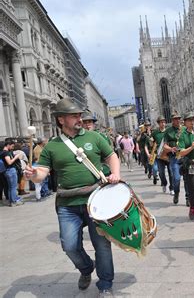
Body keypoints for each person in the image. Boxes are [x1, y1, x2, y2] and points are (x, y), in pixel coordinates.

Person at [24, 98, 121, 296]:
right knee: (69, 246)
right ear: (61, 120)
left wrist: (115, 173)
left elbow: (111, 156)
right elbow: (41, 172)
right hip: (67, 203)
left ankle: (105, 285)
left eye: (79, 114)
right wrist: (33, 175)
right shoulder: (52, 146)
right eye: (74, 115)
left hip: (95, 200)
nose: (80, 118)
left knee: (102, 245)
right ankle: (86, 269)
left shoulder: (94, 137)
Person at [164, 112, 184, 204]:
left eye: (179, 118)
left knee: (188, 178)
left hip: (185, 156)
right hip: (174, 157)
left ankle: (188, 197)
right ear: (172, 120)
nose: (178, 120)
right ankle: (176, 193)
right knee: (176, 178)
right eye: (175, 119)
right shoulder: (168, 131)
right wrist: (171, 148)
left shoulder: (184, 129)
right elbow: (164, 145)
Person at [0, 139, 24, 206]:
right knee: (13, 187)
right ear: (8, 145)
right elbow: (9, 162)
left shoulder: (2, 152)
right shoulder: (6, 153)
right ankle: (13, 201)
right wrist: (16, 157)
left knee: (10, 187)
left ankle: (11, 201)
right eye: (12, 146)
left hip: (6, 171)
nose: (13, 148)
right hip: (10, 170)